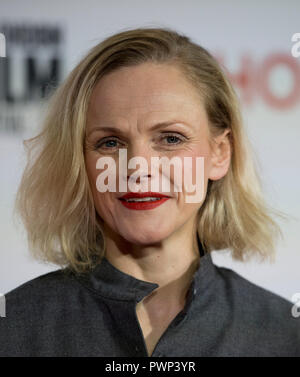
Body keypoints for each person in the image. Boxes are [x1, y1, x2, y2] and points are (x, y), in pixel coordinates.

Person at [0, 26, 299, 357]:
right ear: (79, 161)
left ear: (219, 153)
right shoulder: (13, 329)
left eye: (170, 138)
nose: (138, 166)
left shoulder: (284, 337)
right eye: (110, 143)